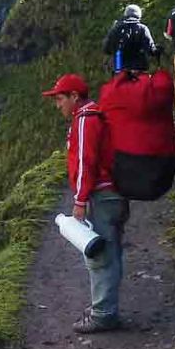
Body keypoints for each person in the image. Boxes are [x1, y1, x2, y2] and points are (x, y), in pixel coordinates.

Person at [42, 73, 128, 334]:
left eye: (60, 99)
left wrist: (79, 200)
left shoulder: (85, 120)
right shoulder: (96, 114)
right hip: (114, 194)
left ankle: (103, 314)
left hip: (102, 195)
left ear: (74, 97)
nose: (58, 105)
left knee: (98, 254)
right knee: (111, 251)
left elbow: (85, 163)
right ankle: (106, 307)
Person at [102, 4, 160, 73]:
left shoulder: (116, 28)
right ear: (139, 15)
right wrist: (158, 50)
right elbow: (151, 50)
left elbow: (106, 49)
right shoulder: (142, 28)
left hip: (119, 69)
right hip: (138, 69)